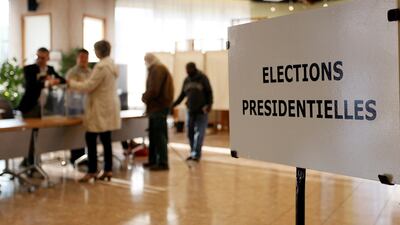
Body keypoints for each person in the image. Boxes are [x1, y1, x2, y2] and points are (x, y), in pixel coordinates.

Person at [68, 40, 121, 182]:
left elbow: (89, 86)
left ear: (99, 51)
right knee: (106, 138)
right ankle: (108, 169)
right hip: (109, 105)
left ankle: (92, 171)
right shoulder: (112, 65)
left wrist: (72, 84)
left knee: (91, 138)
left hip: (99, 106)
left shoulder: (101, 67)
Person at [17, 47, 65, 167]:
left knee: (40, 135)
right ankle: (27, 161)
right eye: (37, 57)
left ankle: (35, 159)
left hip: (46, 108)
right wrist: (47, 82)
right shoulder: (29, 69)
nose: (39, 60)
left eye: (42, 58)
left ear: (48, 58)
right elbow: (31, 84)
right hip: (30, 107)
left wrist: (54, 80)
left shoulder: (50, 69)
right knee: (28, 135)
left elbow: (62, 80)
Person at [172, 62, 213, 162]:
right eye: (186, 70)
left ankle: (197, 154)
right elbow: (182, 95)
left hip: (201, 111)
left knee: (200, 133)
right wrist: (173, 105)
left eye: (189, 70)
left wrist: (209, 105)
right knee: (189, 133)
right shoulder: (186, 80)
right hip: (190, 111)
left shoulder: (203, 78)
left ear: (194, 69)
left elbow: (209, 92)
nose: (187, 72)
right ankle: (192, 152)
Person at [142, 53, 174, 171]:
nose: (145, 62)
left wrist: (144, 97)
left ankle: (162, 163)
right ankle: (153, 161)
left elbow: (154, 89)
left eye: (145, 60)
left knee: (159, 135)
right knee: (154, 135)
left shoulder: (158, 69)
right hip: (157, 107)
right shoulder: (157, 68)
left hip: (158, 107)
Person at [65, 48, 91, 165]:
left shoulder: (90, 72)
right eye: (81, 57)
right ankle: (75, 157)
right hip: (73, 106)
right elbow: (71, 87)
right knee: (75, 133)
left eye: (85, 57)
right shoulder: (72, 72)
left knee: (83, 132)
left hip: (86, 106)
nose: (83, 60)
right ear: (77, 58)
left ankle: (83, 156)